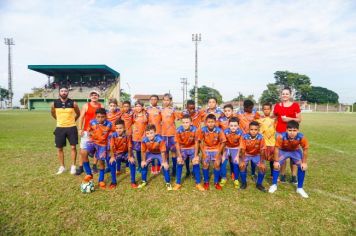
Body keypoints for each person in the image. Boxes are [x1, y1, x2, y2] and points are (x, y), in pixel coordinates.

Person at [268, 121, 309, 198]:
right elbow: (276, 149)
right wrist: (276, 161)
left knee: (302, 167)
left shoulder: (301, 137)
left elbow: (305, 150)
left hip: (295, 151)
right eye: (290, 130)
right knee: (276, 165)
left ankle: (300, 188)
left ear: (298, 131)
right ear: (286, 130)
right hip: (283, 151)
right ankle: (274, 185)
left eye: (294, 130)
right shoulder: (280, 136)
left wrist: (304, 162)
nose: (292, 133)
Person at [273, 87, 302, 184]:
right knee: (282, 155)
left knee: (294, 155)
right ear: (281, 95)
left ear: (290, 95)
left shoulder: (295, 105)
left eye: (287, 93)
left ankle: (294, 176)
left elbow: (299, 119)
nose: (285, 95)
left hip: (292, 133)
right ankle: (283, 175)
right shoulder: (277, 106)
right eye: (283, 93)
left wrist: (288, 119)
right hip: (280, 133)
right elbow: (274, 117)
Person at [81, 108, 113, 190]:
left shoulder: (109, 124)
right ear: (96, 116)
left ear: (106, 116)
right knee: (83, 153)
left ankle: (101, 180)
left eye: (102, 117)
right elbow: (89, 130)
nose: (100, 119)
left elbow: (114, 132)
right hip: (93, 142)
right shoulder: (92, 122)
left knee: (101, 162)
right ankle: (89, 174)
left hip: (102, 145)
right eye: (98, 117)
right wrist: (91, 135)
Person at [50, 86, 80, 174]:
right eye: (62, 91)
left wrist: (72, 121)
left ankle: (73, 166)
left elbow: (78, 113)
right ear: (59, 92)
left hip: (72, 127)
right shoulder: (54, 103)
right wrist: (59, 120)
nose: (63, 92)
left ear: (68, 92)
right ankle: (62, 167)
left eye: (65, 91)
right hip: (60, 128)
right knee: (59, 148)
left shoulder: (73, 103)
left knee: (73, 147)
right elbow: (52, 113)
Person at [173, 114, 205, 191]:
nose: (185, 124)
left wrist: (196, 155)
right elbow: (177, 143)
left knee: (195, 162)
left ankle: (198, 183)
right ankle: (178, 183)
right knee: (179, 162)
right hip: (183, 148)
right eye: (183, 122)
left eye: (187, 122)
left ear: (191, 123)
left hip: (192, 148)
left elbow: (197, 143)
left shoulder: (195, 130)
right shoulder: (178, 130)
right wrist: (179, 156)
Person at [138, 124, 173, 191]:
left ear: (155, 132)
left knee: (165, 166)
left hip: (160, 153)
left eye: (151, 133)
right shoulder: (144, 140)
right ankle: (143, 181)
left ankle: (168, 183)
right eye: (147, 133)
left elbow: (163, 152)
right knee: (143, 165)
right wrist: (143, 160)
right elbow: (143, 151)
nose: (150, 135)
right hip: (150, 153)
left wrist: (164, 162)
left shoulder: (160, 140)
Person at [75, 90, 103, 175]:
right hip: (87, 131)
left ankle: (94, 166)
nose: (94, 96)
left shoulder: (101, 106)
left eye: (96, 95)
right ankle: (80, 167)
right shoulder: (86, 105)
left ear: (98, 96)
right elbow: (81, 117)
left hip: (97, 131)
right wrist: (80, 129)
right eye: (92, 95)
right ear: (90, 96)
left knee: (96, 149)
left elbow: (103, 118)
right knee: (83, 150)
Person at [197, 114, 226, 190]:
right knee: (205, 164)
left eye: (212, 122)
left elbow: (223, 142)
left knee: (217, 164)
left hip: (216, 149)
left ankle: (216, 182)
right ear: (206, 122)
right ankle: (206, 182)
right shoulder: (203, 130)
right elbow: (199, 141)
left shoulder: (219, 130)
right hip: (206, 149)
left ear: (215, 122)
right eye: (209, 122)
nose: (210, 123)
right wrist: (203, 153)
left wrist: (219, 153)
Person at [239, 121, 267, 192]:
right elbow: (242, 150)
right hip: (246, 154)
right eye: (251, 129)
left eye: (255, 130)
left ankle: (259, 184)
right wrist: (242, 161)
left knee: (263, 168)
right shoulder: (244, 137)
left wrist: (262, 162)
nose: (253, 131)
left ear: (258, 130)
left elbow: (262, 151)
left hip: (256, 155)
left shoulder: (261, 137)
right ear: (249, 129)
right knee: (242, 166)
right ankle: (244, 183)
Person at [109, 119, 137, 188]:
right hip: (117, 153)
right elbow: (112, 147)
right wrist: (112, 157)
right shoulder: (113, 135)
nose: (119, 130)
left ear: (124, 128)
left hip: (126, 153)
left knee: (132, 162)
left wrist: (130, 156)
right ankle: (113, 182)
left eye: (120, 128)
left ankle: (133, 181)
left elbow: (129, 146)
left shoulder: (127, 135)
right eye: (117, 128)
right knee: (112, 162)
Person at [236, 99, 261, 179]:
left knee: (253, 154)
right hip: (242, 138)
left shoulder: (254, 113)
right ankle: (243, 171)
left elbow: (260, 120)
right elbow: (232, 119)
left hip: (252, 137)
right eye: (249, 108)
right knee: (242, 154)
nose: (251, 109)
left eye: (252, 108)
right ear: (244, 107)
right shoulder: (239, 113)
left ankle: (253, 173)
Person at [161, 93, 180, 176]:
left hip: (172, 134)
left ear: (171, 101)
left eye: (167, 100)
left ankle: (174, 169)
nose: (166, 102)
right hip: (163, 134)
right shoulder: (160, 110)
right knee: (165, 152)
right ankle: (166, 168)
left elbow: (180, 118)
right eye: (164, 100)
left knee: (173, 152)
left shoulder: (173, 110)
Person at [220, 117, 243, 188]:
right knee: (223, 162)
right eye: (231, 126)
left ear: (238, 126)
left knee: (236, 163)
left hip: (236, 148)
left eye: (235, 126)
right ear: (229, 126)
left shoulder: (240, 132)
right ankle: (223, 178)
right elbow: (223, 143)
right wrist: (223, 154)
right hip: (227, 148)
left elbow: (241, 145)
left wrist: (237, 155)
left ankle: (236, 179)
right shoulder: (225, 131)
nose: (233, 127)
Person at [257, 102, 276, 177]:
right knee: (262, 159)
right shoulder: (259, 119)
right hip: (263, 143)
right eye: (264, 109)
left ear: (271, 110)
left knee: (272, 160)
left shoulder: (274, 119)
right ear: (262, 110)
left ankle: (272, 174)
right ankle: (262, 173)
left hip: (272, 143)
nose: (266, 110)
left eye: (268, 109)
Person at [146, 95, 163, 174]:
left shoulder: (160, 109)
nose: (153, 101)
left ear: (157, 101)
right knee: (152, 149)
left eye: (155, 99)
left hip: (159, 132)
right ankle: (153, 166)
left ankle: (159, 165)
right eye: (152, 99)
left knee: (159, 149)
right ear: (150, 100)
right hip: (150, 133)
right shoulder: (147, 110)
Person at [105, 98, 122, 173]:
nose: (112, 107)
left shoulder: (119, 112)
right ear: (108, 106)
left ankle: (118, 168)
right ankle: (109, 166)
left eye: (114, 105)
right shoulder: (105, 113)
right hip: (108, 135)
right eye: (111, 105)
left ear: (116, 106)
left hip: (117, 135)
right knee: (108, 151)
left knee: (117, 151)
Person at [132, 100, 148, 173]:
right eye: (136, 106)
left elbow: (148, 124)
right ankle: (139, 165)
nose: (138, 107)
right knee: (138, 152)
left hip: (144, 135)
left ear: (142, 107)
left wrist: (146, 133)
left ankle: (145, 164)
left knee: (145, 151)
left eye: (139, 106)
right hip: (136, 136)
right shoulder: (133, 114)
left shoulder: (146, 114)